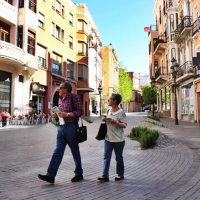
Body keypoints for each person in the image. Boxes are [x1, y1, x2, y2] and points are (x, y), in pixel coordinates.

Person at [38, 82, 84, 183]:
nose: (59, 89)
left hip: (71, 127)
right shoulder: (60, 99)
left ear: (66, 89)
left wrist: (67, 114)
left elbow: (80, 111)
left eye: (60, 88)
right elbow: (60, 112)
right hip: (61, 128)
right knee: (57, 151)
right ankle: (50, 175)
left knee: (75, 151)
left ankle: (79, 173)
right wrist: (55, 115)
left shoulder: (74, 97)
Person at [97, 93, 127, 182]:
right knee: (106, 156)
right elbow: (108, 121)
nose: (108, 100)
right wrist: (104, 119)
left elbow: (124, 125)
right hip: (108, 138)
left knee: (118, 157)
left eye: (110, 99)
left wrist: (116, 122)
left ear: (115, 101)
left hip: (118, 139)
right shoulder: (109, 110)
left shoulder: (121, 112)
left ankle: (120, 174)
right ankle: (104, 175)